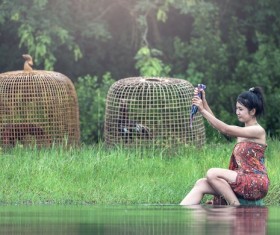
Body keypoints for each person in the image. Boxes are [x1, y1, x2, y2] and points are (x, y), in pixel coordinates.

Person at [180, 86, 269, 206]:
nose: (237, 112)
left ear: (252, 111)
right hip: (241, 178)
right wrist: (204, 101)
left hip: (255, 181)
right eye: (237, 108)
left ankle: (235, 205)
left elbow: (225, 129)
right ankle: (182, 215)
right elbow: (218, 125)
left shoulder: (258, 131)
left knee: (212, 173)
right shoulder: (241, 131)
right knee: (201, 183)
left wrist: (202, 110)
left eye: (241, 109)